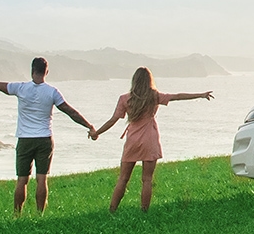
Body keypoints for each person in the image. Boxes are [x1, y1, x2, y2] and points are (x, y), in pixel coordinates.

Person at [0, 57, 95, 215]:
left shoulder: (21, 88)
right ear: (47, 72)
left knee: (22, 180)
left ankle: (17, 214)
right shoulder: (52, 92)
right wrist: (89, 126)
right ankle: (40, 214)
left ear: (32, 70)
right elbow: (70, 111)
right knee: (42, 179)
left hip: (25, 139)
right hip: (45, 139)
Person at [90, 67, 213, 212]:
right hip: (150, 139)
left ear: (134, 80)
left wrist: (97, 133)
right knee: (146, 179)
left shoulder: (125, 99)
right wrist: (201, 95)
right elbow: (177, 96)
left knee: (123, 179)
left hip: (132, 141)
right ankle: (144, 211)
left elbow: (113, 120)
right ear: (149, 80)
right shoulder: (154, 96)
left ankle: (112, 210)